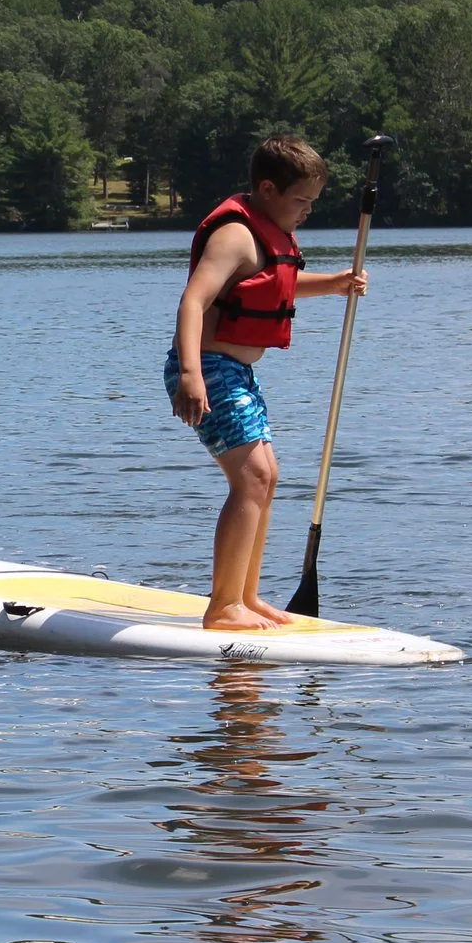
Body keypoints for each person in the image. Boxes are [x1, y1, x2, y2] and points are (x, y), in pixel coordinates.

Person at [167, 135, 367, 631]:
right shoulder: (234, 235)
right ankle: (222, 607)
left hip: (237, 372)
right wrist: (191, 373)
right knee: (252, 477)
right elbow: (194, 301)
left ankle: (246, 596)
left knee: (266, 477)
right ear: (268, 188)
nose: (306, 212)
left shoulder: (265, 236)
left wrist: (335, 283)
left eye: (312, 203)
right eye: (300, 201)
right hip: (209, 369)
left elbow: (275, 284)